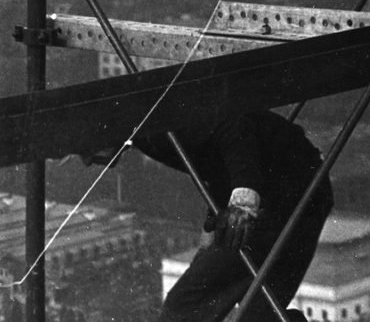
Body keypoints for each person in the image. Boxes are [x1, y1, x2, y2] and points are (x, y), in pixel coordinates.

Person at [131, 109, 333, 322]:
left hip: (282, 198)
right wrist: (213, 227)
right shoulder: (148, 127)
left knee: (184, 307)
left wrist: (244, 199)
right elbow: (219, 160)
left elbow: (234, 126)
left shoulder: (150, 128)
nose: (90, 162)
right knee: (257, 316)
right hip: (301, 192)